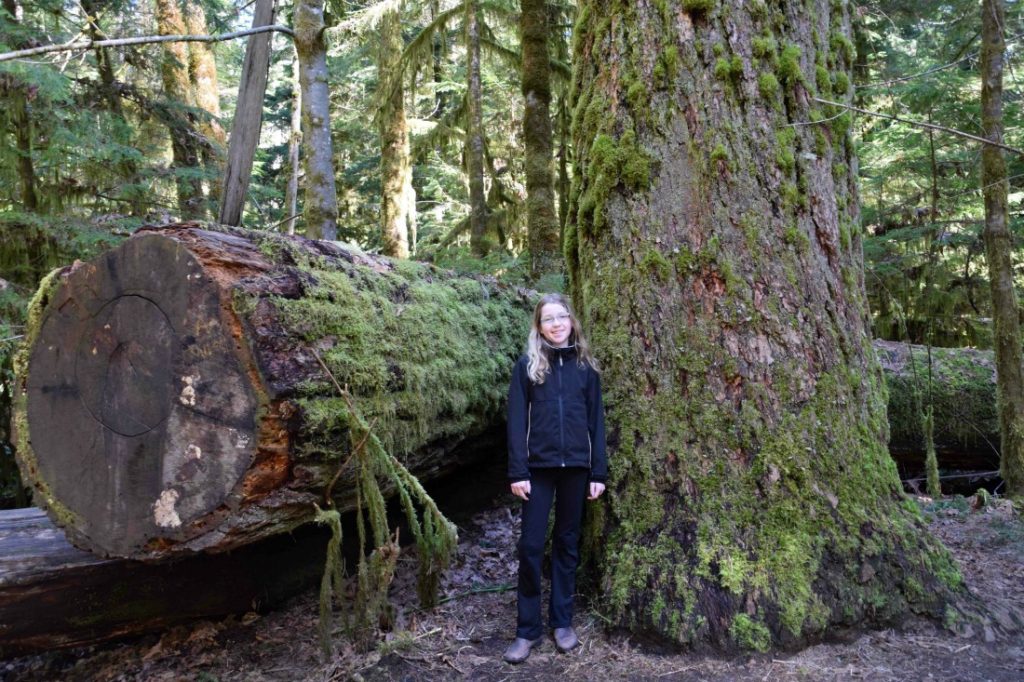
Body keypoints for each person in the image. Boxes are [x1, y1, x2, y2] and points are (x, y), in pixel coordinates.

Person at [502, 293, 607, 664]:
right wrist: (518, 471)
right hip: (537, 471)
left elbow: (596, 421)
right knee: (530, 547)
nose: (557, 324)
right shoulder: (527, 367)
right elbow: (516, 423)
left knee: (567, 544)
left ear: (571, 321)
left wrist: (598, 470)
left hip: (577, 469)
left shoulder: (585, 368)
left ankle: (562, 623)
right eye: (548, 319)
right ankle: (526, 630)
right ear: (539, 326)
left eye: (562, 317)